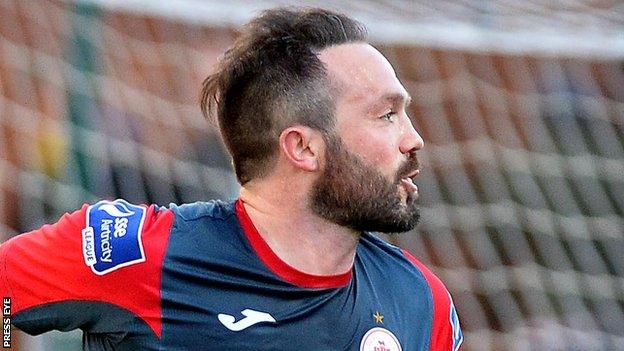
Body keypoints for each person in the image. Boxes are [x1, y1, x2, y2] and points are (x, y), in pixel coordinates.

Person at [0, 7, 463, 351]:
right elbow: (6, 294)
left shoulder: (421, 302)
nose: (413, 139)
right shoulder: (144, 255)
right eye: (386, 116)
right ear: (302, 147)